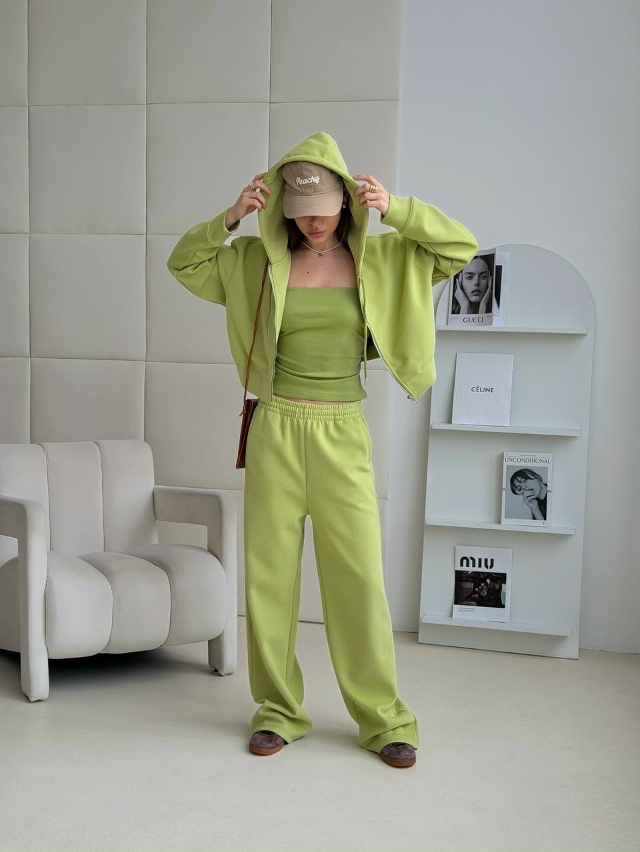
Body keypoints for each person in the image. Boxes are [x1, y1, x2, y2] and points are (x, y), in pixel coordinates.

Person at [167, 132, 477, 769]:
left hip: (342, 431)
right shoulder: (254, 261)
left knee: (358, 580)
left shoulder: (382, 259)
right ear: (282, 207)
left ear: (346, 202)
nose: (313, 222)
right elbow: (185, 264)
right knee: (270, 582)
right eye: (300, 210)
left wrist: (398, 209)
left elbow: (457, 249)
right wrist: (229, 217)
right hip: (275, 427)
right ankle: (279, 711)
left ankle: (384, 719)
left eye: (325, 209)